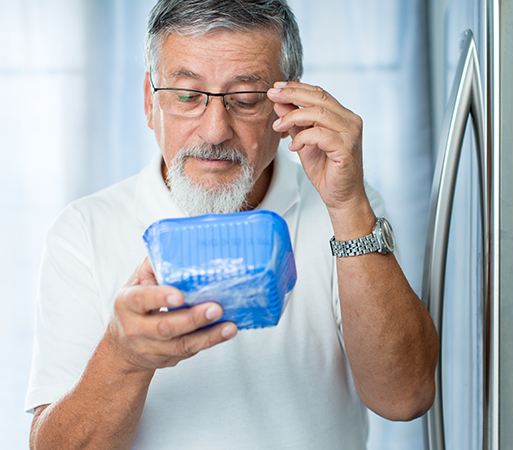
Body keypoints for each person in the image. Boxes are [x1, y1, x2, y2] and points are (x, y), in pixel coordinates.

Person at [26, 1, 438, 449]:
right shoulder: (83, 230)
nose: (214, 130)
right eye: (187, 96)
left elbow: (406, 399)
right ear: (150, 101)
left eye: (245, 100)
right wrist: (124, 357)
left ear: (288, 108)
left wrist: (349, 205)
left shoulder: (345, 211)